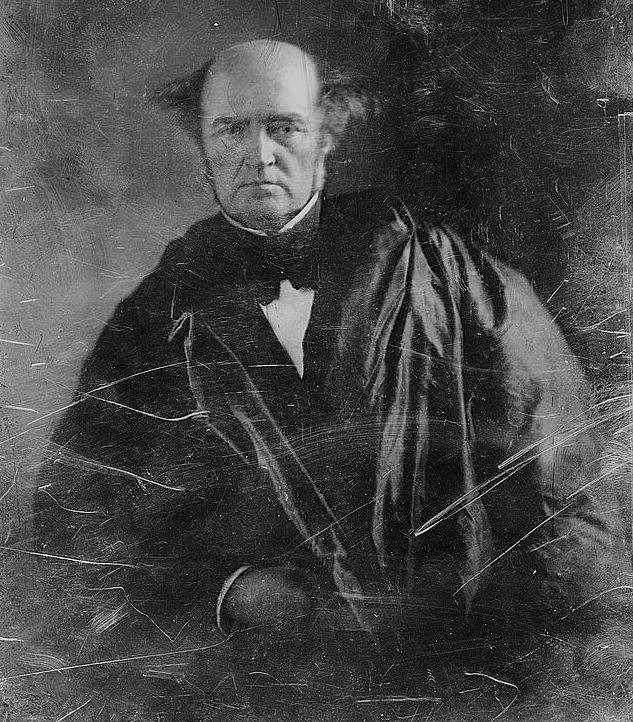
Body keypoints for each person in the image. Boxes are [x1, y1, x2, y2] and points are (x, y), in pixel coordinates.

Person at [33, 39, 631, 679]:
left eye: (284, 127)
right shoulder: (156, 317)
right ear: (203, 145)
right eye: (231, 129)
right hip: (254, 680)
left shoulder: (446, 276)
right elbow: (76, 521)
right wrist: (227, 593)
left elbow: (565, 477)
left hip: (454, 665)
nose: (259, 154)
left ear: (327, 134)